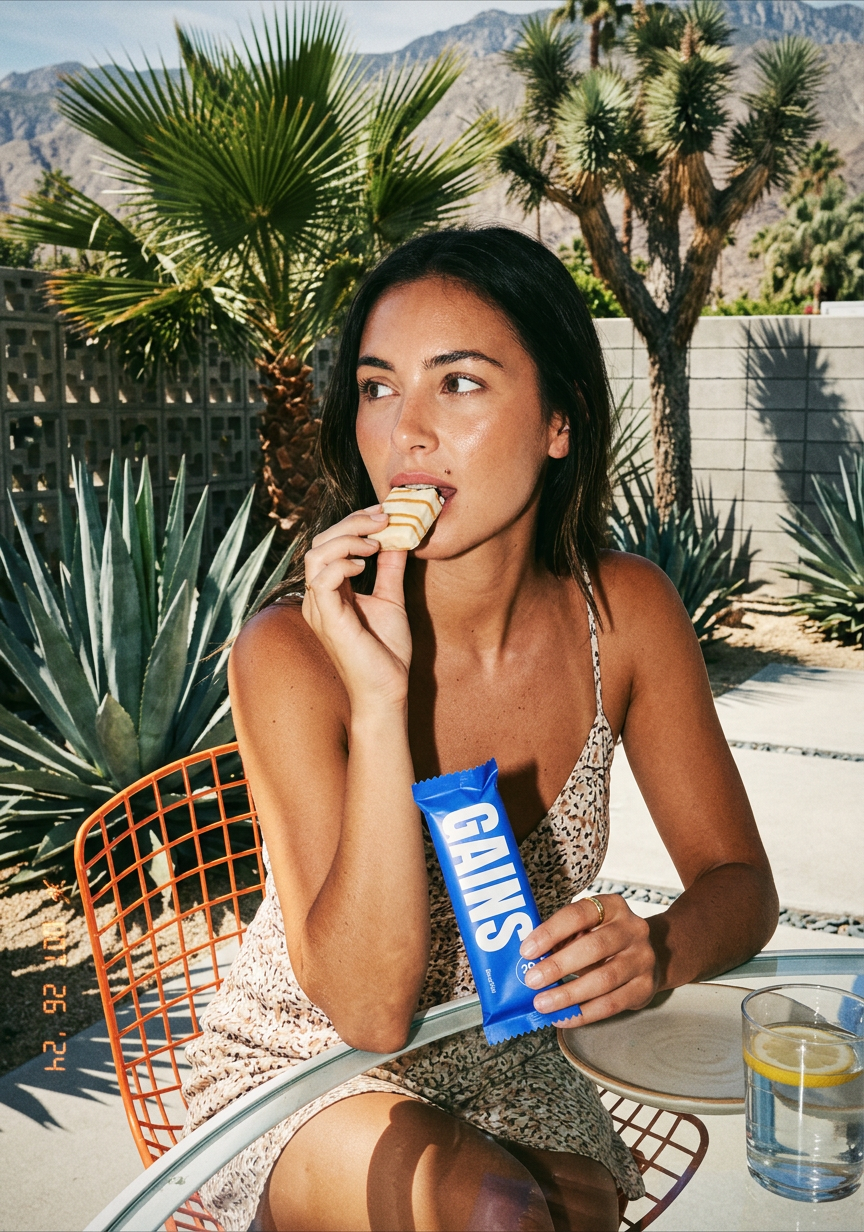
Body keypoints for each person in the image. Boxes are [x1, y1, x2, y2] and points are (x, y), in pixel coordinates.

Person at [183, 227, 778, 1232]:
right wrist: (381, 702)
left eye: (457, 384)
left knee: (561, 1219)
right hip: (305, 1056)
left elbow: (741, 883)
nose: (405, 433)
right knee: (499, 1216)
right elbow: (369, 1009)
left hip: (508, 1045)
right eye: (378, 387)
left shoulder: (625, 614)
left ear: (558, 421)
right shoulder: (291, 652)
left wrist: (662, 947)